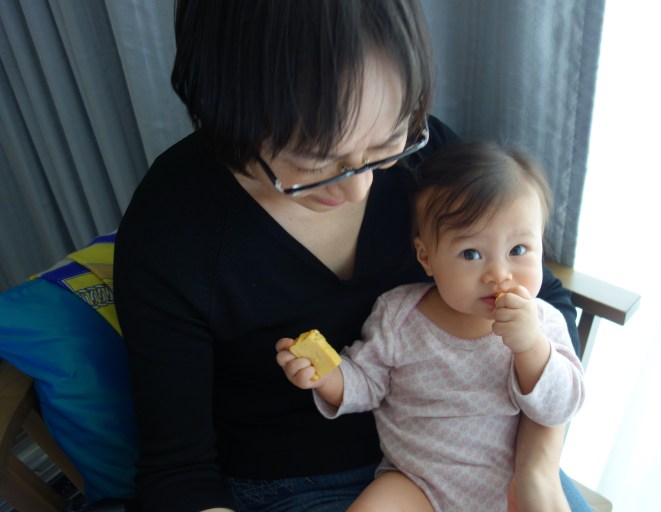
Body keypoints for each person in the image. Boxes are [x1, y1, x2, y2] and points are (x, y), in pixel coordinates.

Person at [113, 1, 591, 511]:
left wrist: (536, 467)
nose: (361, 187)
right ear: (232, 116)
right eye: (316, 163)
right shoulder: (173, 230)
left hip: (490, 457)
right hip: (296, 481)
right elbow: (178, 472)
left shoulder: (430, 164)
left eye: (387, 145)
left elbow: (548, 306)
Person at [276, 142, 586, 511]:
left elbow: (560, 406)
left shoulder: (542, 322)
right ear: (426, 258)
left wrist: (531, 347)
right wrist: (327, 376)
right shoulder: (399, 314)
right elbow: (368, 382)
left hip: (507, 490)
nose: (498, 274)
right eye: (471, 254)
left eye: (518, 250)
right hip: (414, 481)